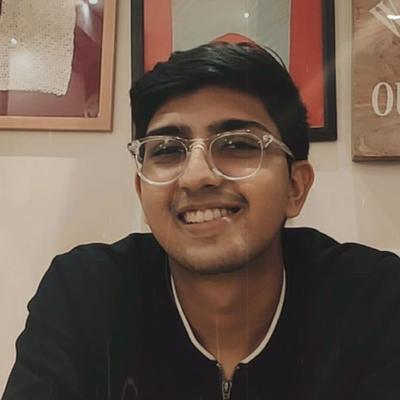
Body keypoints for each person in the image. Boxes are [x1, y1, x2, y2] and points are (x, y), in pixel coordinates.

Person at [2, 42, 400, 400]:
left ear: (295, 188)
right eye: (166, 150)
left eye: (238, 144)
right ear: (142, 190)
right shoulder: (85, 293)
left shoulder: (374, 298)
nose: (195, 176)